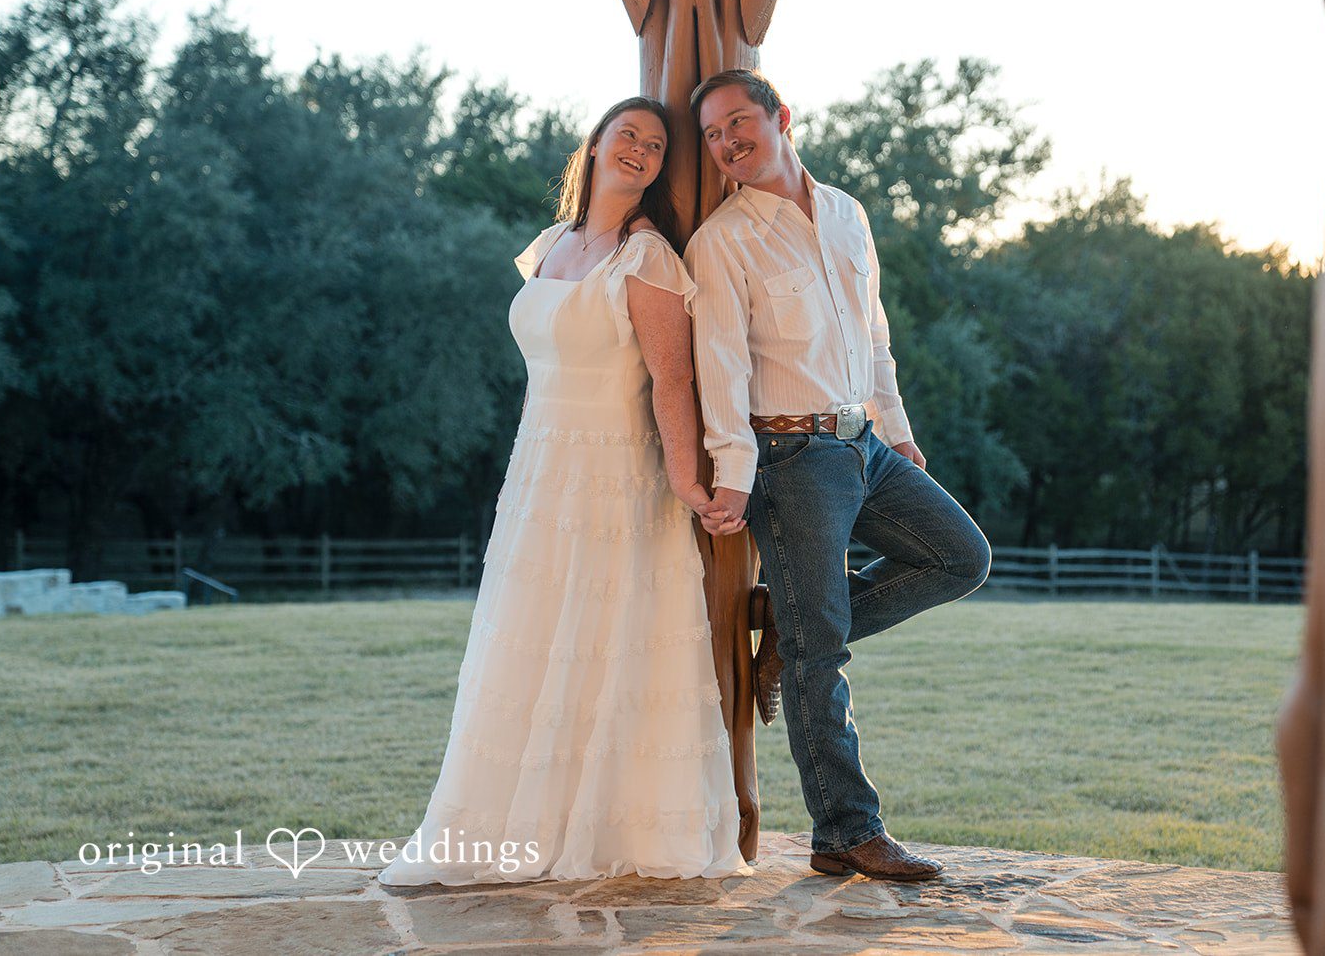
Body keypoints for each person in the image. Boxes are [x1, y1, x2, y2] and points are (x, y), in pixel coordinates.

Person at [379, 97, 746, 885]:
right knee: (533, 633)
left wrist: (686, 479)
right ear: (596, 145)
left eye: (654, 145)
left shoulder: (647, 258)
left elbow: (672, 380)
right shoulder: (551, 244)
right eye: (628, 136)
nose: (641, 151)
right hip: (539, 468)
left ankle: (612, 823)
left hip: (613, 473)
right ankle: (515, 817)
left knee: (604, 635)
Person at [683, 68, 994, 883]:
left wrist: (898, 429)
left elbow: (875, 333)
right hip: (789, 460)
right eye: (713, 134)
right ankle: (845, 831)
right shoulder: (721, 243)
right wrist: (736, 473)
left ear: (781, 116)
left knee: (962, 557)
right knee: (826, 655)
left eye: (739, 122)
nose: (727, 143)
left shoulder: (848, 214)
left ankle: (793, 626)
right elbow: (719, 366)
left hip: (867, 444)